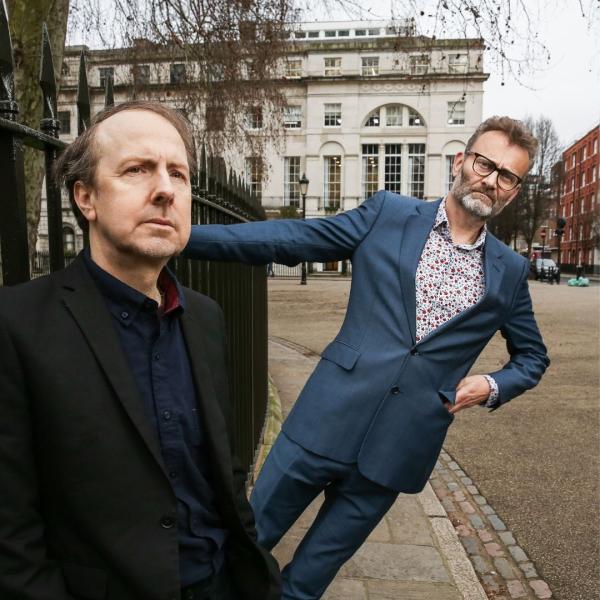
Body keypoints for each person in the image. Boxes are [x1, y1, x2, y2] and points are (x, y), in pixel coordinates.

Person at [184, 116, 550, 599]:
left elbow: (532, 357)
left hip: (397, 450)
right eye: (486, 163)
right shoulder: (388, 214)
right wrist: (184, 238)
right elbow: (293, 241)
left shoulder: (510, 270)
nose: (492, 179)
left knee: (307, 582)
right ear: (460, 161)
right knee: (243, 550)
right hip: (323, 421)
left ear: (515, 191)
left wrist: (492, 385)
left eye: (508, 175)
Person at [0, 101, 280, 600]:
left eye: (179, 173)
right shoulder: (17, 324)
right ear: (86, 197)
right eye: (137, 170)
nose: (166, 189)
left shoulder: (207, 317)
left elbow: (222, 468)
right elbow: (11, 529)